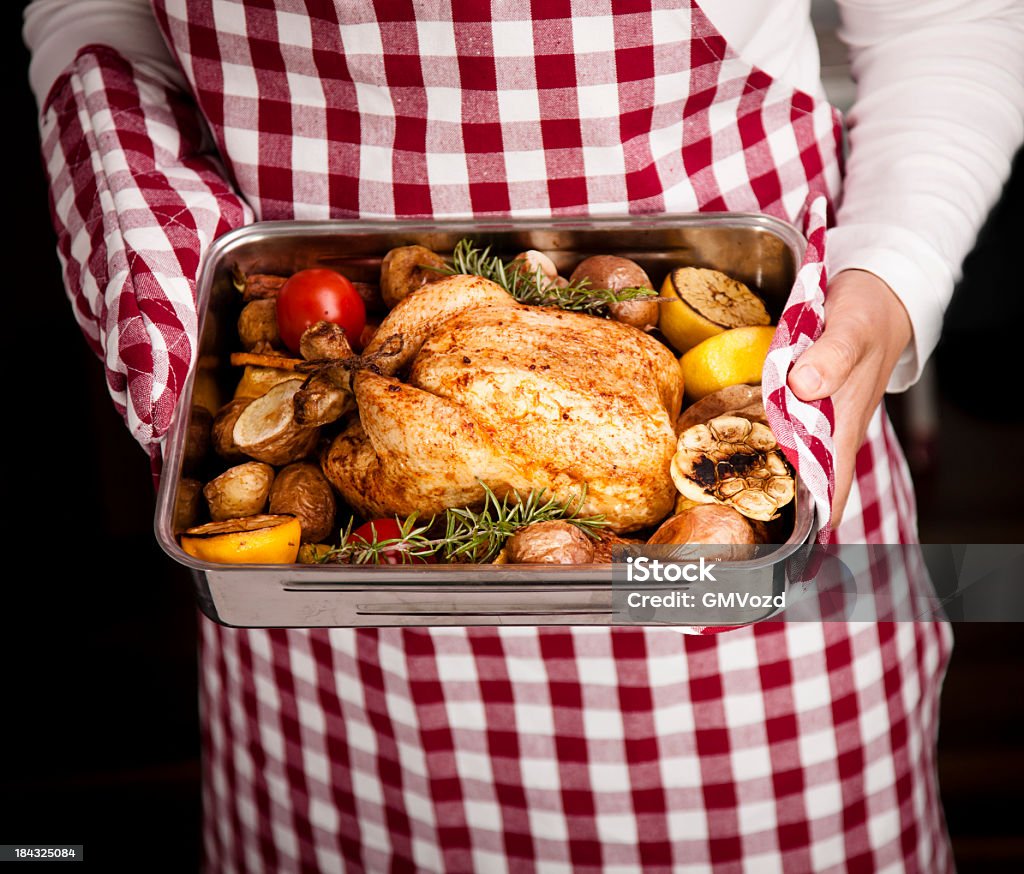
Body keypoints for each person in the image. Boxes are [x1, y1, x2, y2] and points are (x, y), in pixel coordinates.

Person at [24, 0, 1024, 871]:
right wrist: (151, 267)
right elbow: (101, 18)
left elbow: (947, 16)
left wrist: (890, 281)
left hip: (746, 608)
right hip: (327, 650)